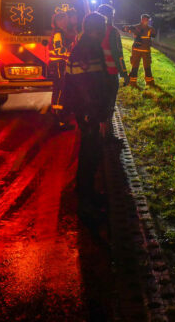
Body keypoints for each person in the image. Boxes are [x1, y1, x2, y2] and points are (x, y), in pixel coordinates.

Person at [67, 12, 109, 221]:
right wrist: (94, 114)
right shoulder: (87, 49)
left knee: (91, 152)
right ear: (95, 29)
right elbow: (85, 86)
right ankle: (85, 202)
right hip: (87, 111)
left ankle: (88, 193)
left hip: (87, 110)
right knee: (89, 154)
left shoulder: (87, 45)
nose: (104, 33)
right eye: (102, 29)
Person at [96, 4, 128, 139]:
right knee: (109, 101)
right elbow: (118, 55)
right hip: (110, 73)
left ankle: (99, 127)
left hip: (96, 73)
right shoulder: (113, 32)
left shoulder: (92, 30)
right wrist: (124, 74)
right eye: (112, 15)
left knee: (98, 99)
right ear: (110, 16)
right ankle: (107, 131)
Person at [49, 12, 71, 128]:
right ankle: (58, 118)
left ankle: (57, 116)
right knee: (60, 90)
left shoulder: (59, 33)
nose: (67, 22)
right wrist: (70, 49)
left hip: (58, 64)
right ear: (59, 21)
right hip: (58, 64)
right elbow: (59, 49)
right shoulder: (58, 34)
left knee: (58, 89)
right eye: (65, 20)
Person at [127, 14, 156, 88]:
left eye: (148, 20)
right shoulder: (140, 27)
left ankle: (148, 82)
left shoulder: (148, 28)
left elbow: (154, 35)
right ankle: (133, 82)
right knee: (136, 66)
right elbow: (126, 29)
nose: (147, 21)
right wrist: (128, 28)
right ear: (142, 19)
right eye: (146, 20)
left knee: (146, 66)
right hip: (140, 50)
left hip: (143, 50)